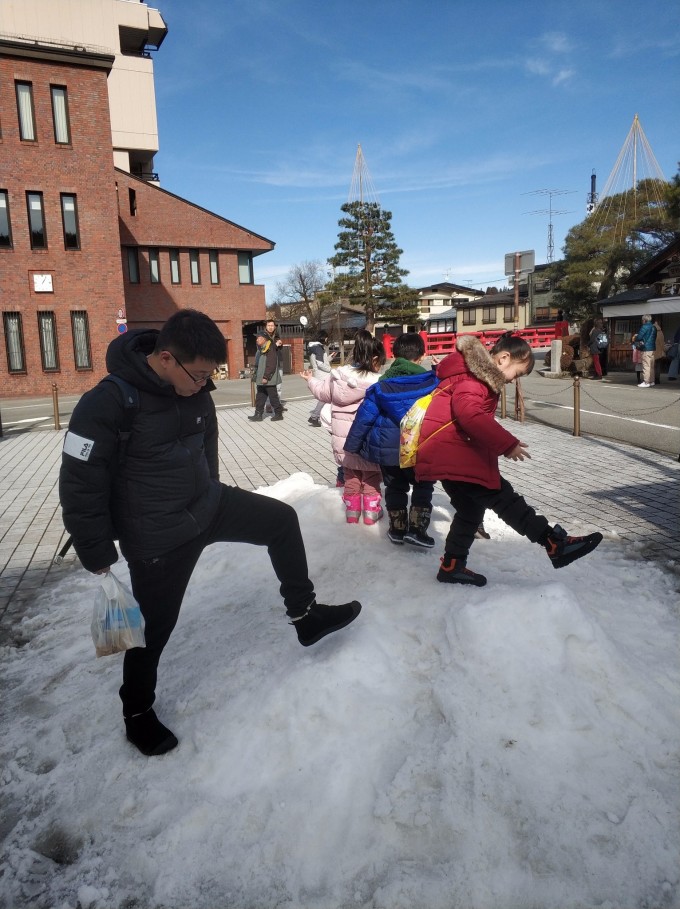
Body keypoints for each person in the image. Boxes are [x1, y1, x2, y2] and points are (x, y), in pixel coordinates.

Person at [59, 309, 361, 757]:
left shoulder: (195, 388)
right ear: (165, 358)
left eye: (210, 374)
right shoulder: (107, 402)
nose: (205, 384)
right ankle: (137, 712)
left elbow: (207, 448)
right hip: (157, 534)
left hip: (207, 506)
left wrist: (213, 490)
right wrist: (95, 548)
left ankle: (305, 616)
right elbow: (79, 480)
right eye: (198, 374)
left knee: (280, 521)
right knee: (154, 628)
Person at [414, 333, 603, 587]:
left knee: (470, 510)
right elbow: (469, 414)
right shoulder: (474, 378)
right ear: (503, 358)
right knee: (504, 498)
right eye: (517, 373)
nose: (514, 380)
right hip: (455, 454)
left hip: (447, 454)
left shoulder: (469, 373)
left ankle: (452, 565)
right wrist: (508, 444)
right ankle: (553, 542)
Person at [344, 332, 439, 546]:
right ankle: (417, 529)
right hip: (421, 446)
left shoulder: (380, 387)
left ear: (394, 355)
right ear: (422, 356)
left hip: (389, 449)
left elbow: (364, 417)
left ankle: (397, 529)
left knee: (395, 487)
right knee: (423, 485)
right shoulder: (433, 383)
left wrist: (352, 445)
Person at [302, 329, 386, 524]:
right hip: (368, 441)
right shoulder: (379, 383)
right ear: (374, 359)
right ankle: (371, 513)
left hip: (343, 442)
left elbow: (322, 393)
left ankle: (352, 512)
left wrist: (310, 380)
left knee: (351, 475)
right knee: (371, 476)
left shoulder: (337, 376)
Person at [249, 329, 284, 421]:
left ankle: (278, 414)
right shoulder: (262, 348)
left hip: (268, 378)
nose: (257, 340)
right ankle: (258, 414)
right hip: (261, 378)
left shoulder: (270, 348)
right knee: (260, 397)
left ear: (264, 339)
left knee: (273, 397)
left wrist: (266, 377)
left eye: (258, 338)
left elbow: (271, 364)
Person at [307, 331, 334, 427]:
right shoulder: (318, 348)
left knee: (325, 396)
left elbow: (321, 361)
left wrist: (330, 357)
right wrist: (331, 369)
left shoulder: (314, 347)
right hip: (323, 375)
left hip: (319, 374)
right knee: (325, 397)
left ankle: (315, 416)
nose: (327, 339)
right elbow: (320, 364)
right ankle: (314, 416)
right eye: (326, 337)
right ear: (322, 337)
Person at [264, 318, 285, 411]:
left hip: (278, 363)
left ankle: (278, 405)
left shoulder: (277, 336)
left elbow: (279, 349)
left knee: (279, 385)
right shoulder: (263, 337)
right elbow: (265, 350)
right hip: (268, 364)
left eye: (272, 325)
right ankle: (268, 405)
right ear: (266, 326)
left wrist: (280, 344)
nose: (271, 327)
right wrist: (275, 345)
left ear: (275, 327)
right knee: (270, 385)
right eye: (269, 325)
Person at [632, 315, 657, 388]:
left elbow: (639, 337)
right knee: (651, 365)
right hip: (652, 348)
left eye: (642, 320)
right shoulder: (654, 327)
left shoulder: (645, 326)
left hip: (645, 348)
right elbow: (654, 337)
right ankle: (652, 381)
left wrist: (636, 337)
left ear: (644, 320)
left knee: (646, 365)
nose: (642, 321)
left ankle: (646, 382)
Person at [653, 319, 665, 385]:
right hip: (659, 352)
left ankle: (652, 379)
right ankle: (658, 379)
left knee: (652, 366)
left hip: (652, 351)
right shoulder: (661, 333)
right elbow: (662, 343)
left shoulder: (652, 332)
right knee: (658, 366)